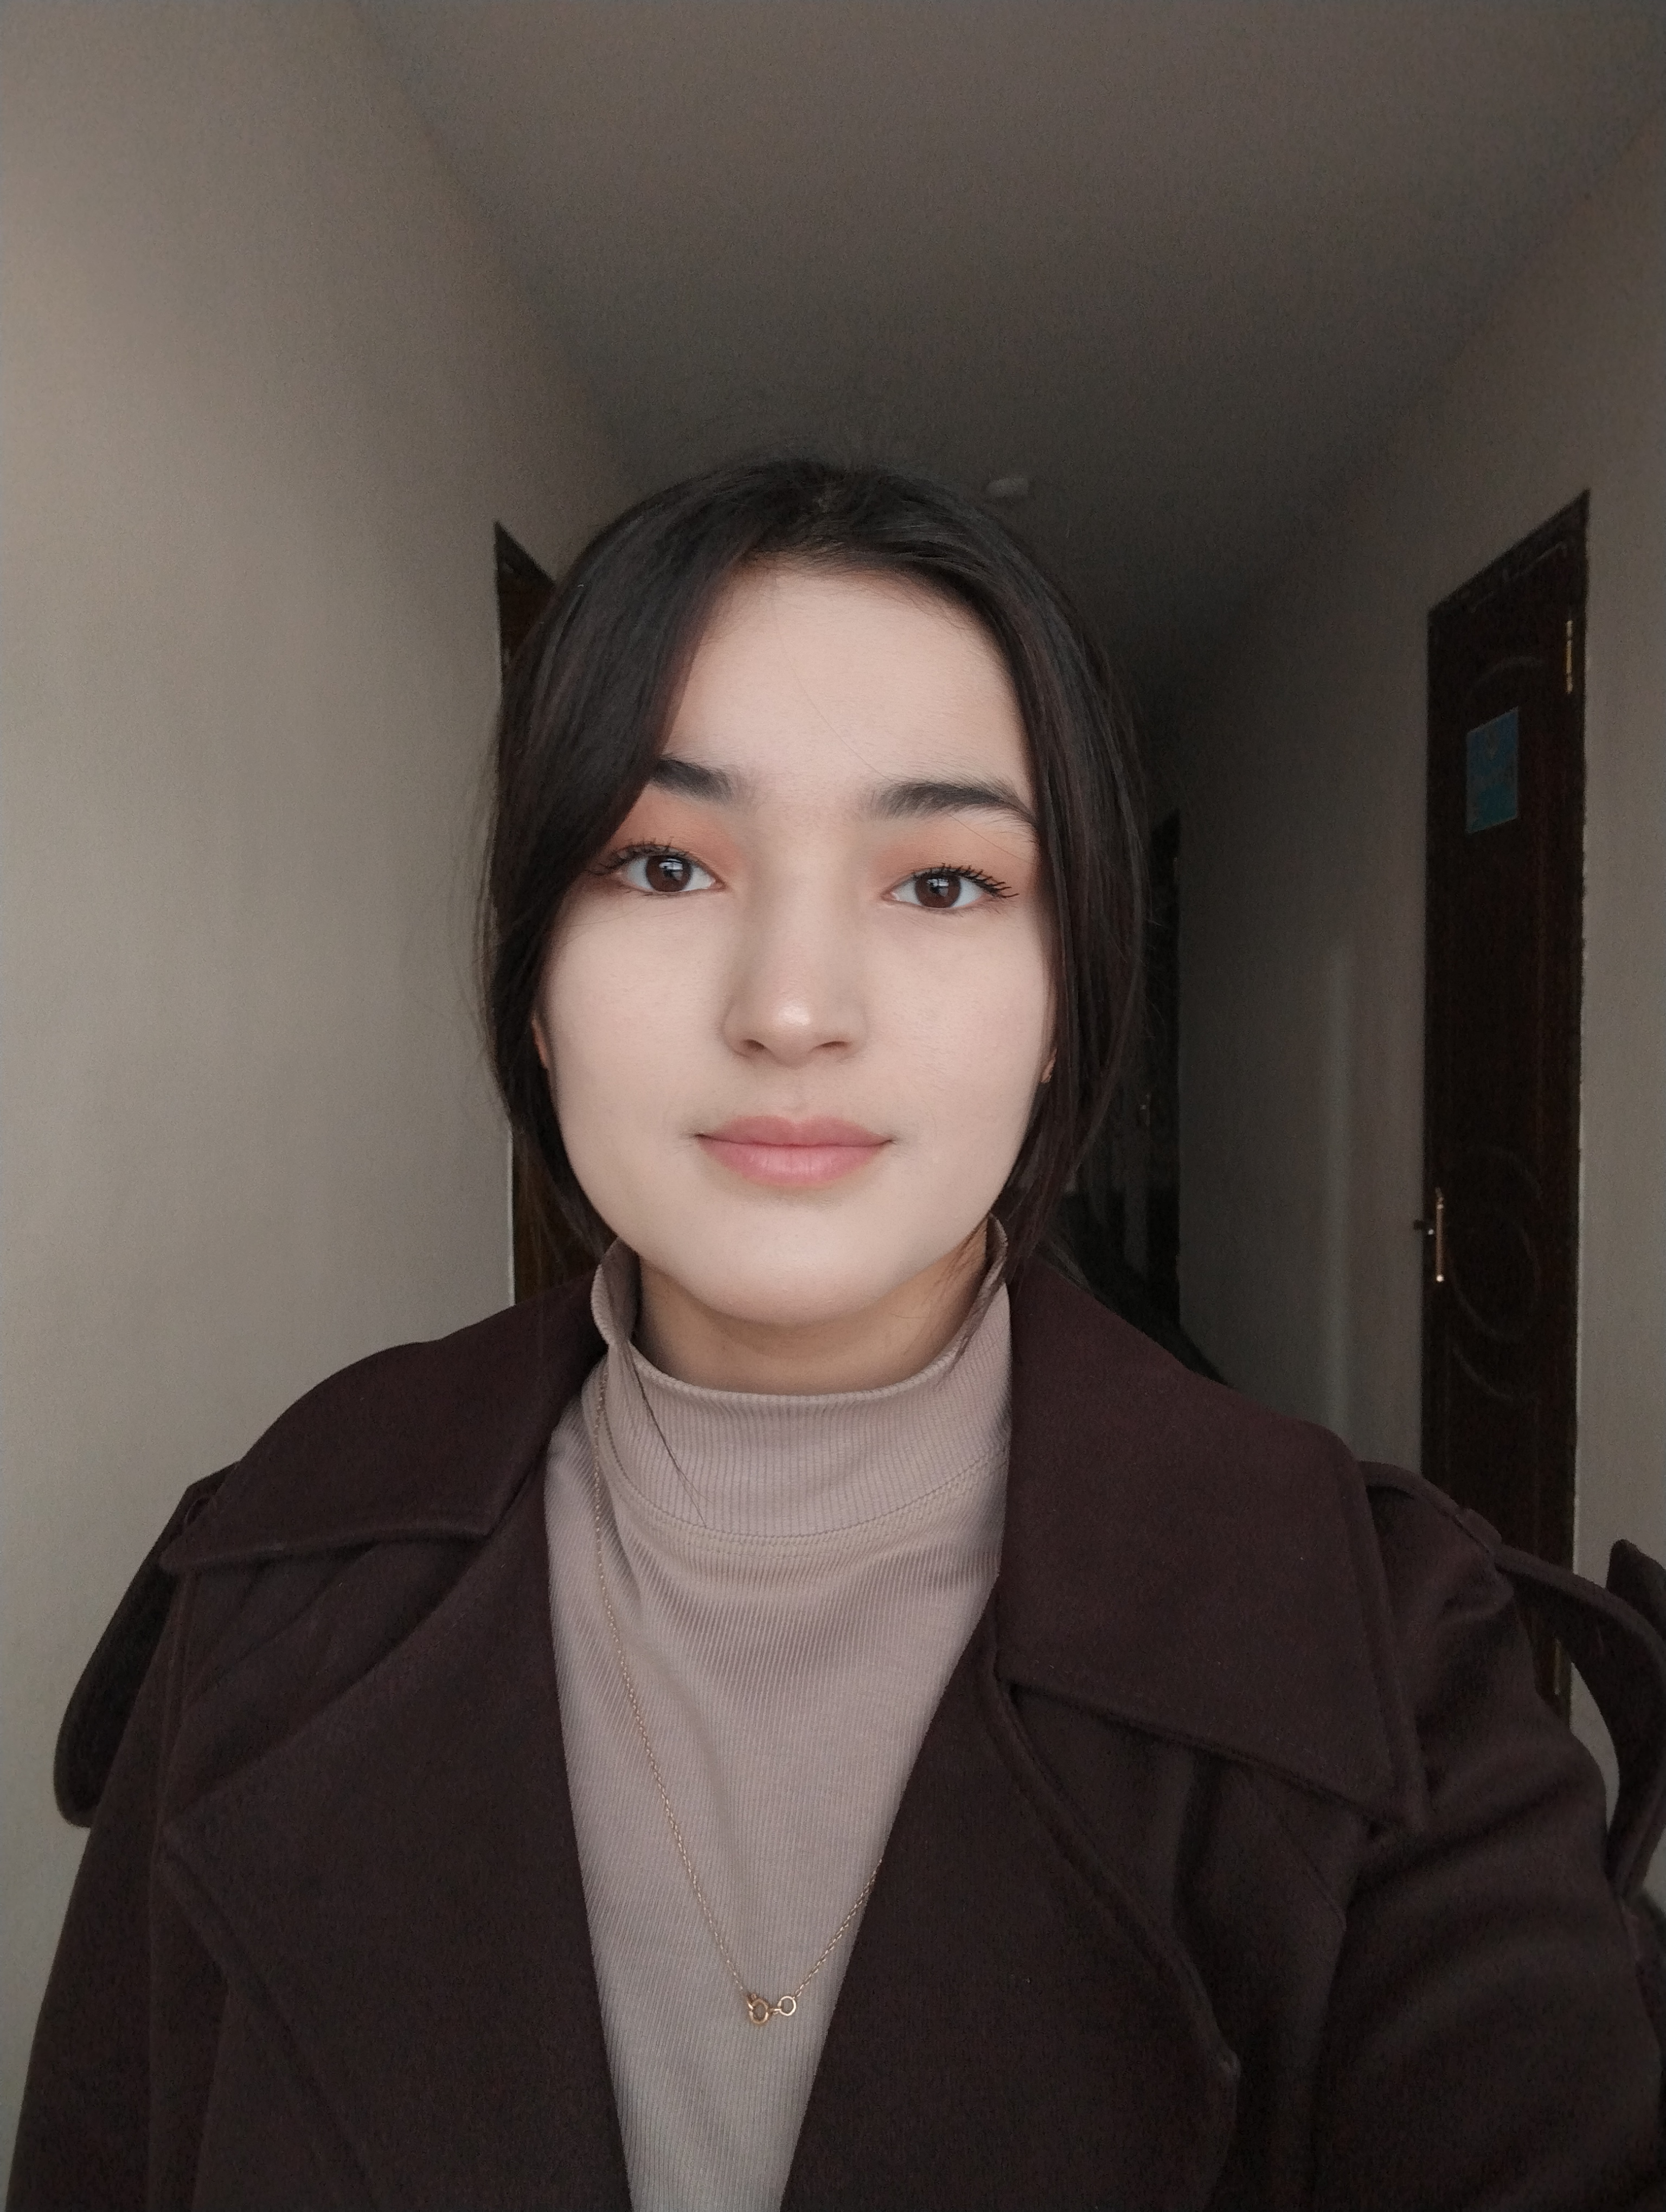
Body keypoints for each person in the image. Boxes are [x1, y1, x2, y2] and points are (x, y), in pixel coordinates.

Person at [9, 459, 1661, 2212]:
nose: (792, 1007)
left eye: (940, 883)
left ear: (1064, 1003)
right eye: (663, 864)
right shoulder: (275, 1572)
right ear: (537, 987)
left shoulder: (1387, 1647)